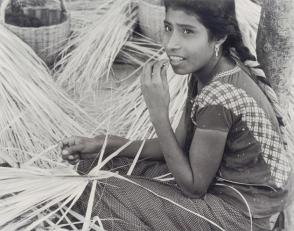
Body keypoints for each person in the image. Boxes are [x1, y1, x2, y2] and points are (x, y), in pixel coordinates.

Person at [60, 0, 291, 230]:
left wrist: (158, 113)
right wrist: (103, 145)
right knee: (93, 164)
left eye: (188, 32)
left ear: (218, 38)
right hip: (216, 185)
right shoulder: (206, 71)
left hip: (239, 215)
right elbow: (176, 146)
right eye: (168, 28)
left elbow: (193, 187)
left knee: (97, 193)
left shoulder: (220, 95)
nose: (171, 44)